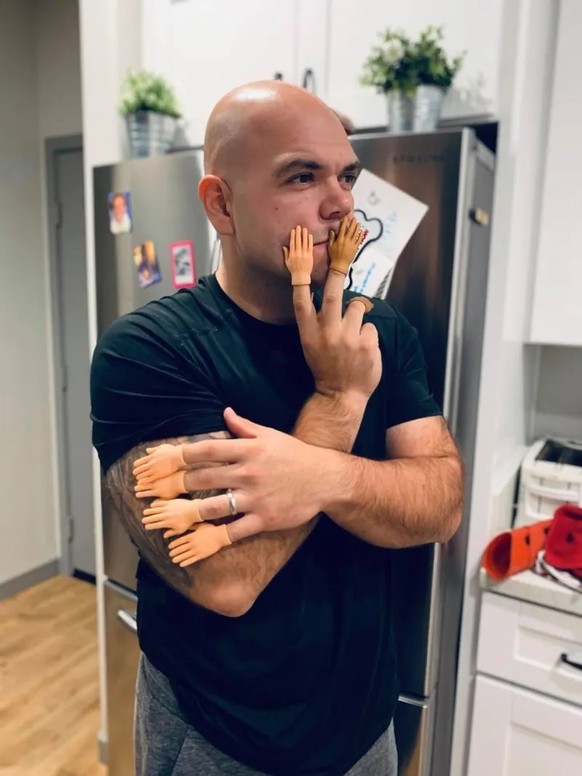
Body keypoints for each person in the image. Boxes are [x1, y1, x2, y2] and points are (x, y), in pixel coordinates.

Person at [90, 80, 463, 776]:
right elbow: (226, 580)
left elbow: (441, 505)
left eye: (347, 176)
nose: (341, 203)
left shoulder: (377, 330)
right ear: (220, 204)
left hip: (366, 732)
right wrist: (339, 401)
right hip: (217, 738)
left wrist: (318, 475)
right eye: (301, 176)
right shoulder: (148, 351)